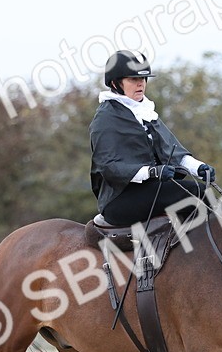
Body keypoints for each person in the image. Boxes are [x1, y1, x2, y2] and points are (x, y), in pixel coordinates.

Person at [90, 50, 215, 226]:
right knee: (196, 192)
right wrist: (151, 172)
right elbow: (108, 167)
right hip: (119, 199)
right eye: (133, 79)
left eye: (143, 79)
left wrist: (198, 167)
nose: (140, 84)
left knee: (201, 191)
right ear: (115, 82)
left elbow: (171, 150)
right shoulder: (105, 119)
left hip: (150, 190)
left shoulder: (145, 112)